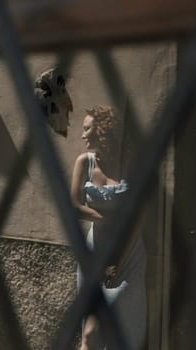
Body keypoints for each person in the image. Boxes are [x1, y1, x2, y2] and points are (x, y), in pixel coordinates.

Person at [70, 105, 147, 350]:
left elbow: (140, 216)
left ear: (102, 130)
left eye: (87, 129)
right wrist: (104, 220)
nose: (83, 135)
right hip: (94, 254)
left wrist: (120, 260)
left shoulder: (130, 165)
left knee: (122, 329)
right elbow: (73, 205)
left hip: (129, 254)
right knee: (90, 332)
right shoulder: (85, 162)